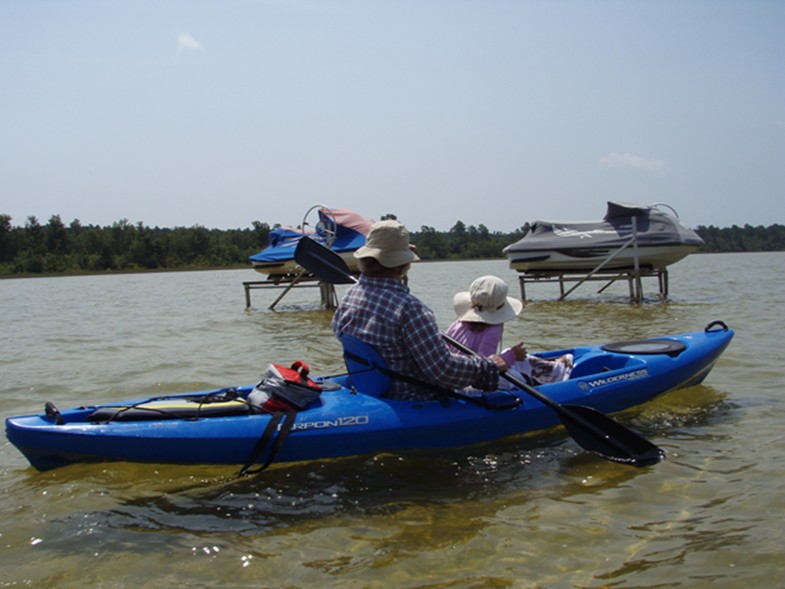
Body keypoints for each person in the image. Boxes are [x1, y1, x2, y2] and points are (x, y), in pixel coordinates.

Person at [331, 220, 507, 400]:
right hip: (411, 397)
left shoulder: (350, 296)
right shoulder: (411, 310)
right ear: (404, 265)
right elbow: (444, 371)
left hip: (370, 387)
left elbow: (339, 333)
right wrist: (487, 366)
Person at [446, 275, 573, 386]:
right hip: (474, 381)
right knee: (515, 365)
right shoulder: (493, 328)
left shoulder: (458, 322)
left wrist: (510, 355)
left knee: (512, 356)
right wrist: (513, 355)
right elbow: (486, 364)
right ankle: (554, 373)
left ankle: (553, 369)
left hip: (457, 373)